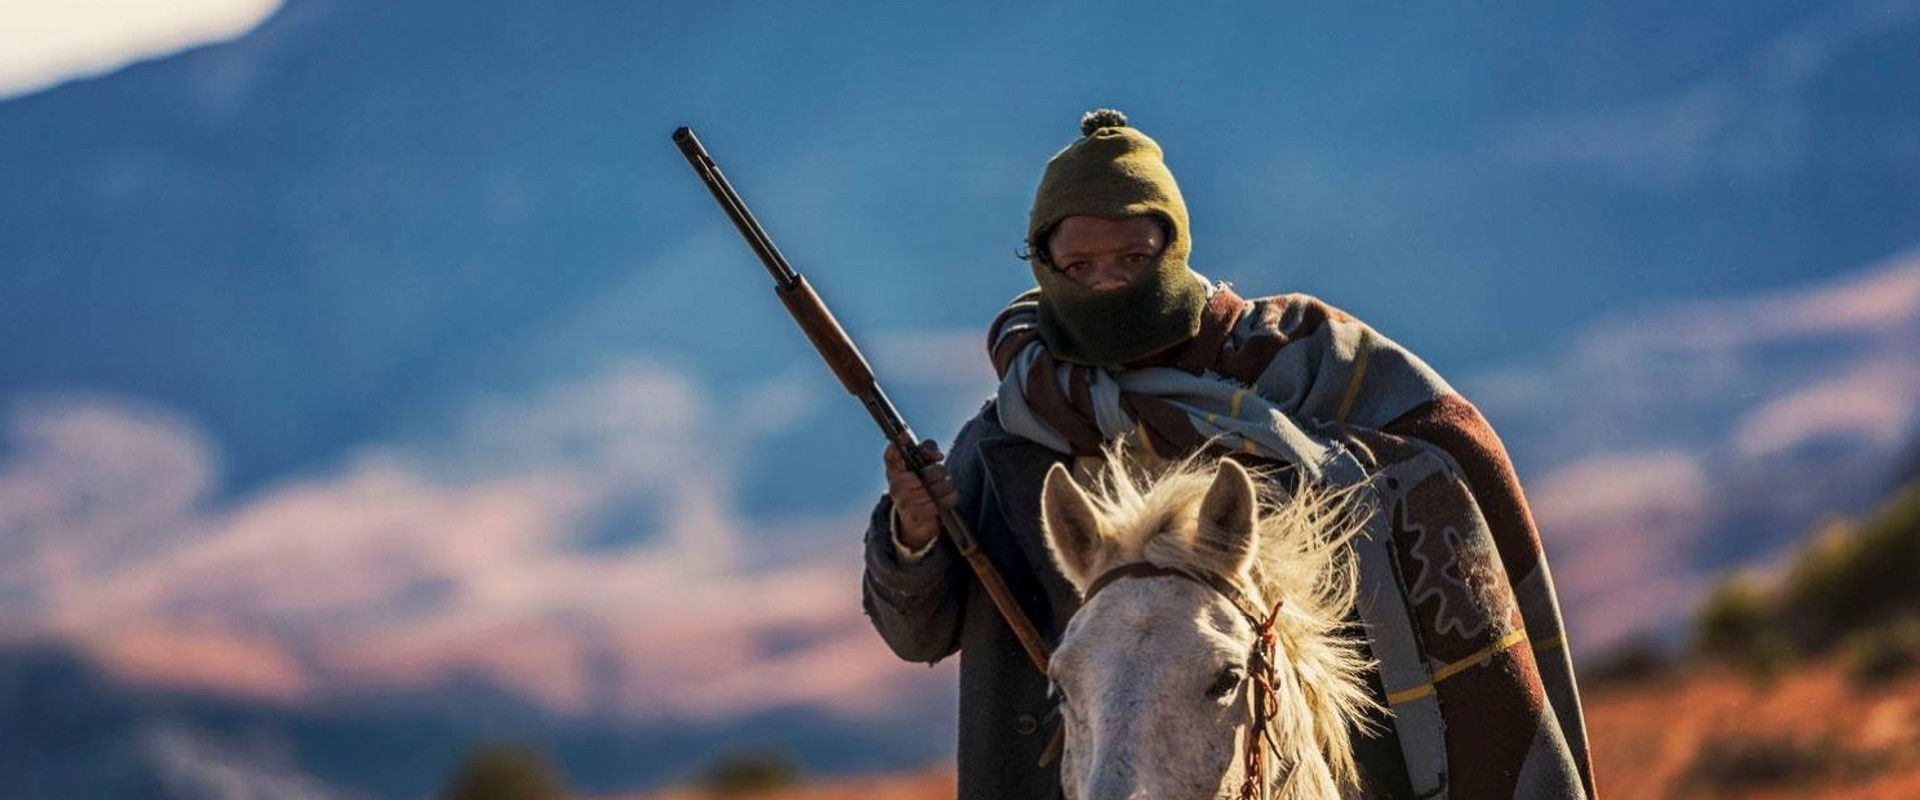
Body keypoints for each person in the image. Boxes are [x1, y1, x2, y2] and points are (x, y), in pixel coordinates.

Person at [860, 109, 1594, 799]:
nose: (1107, 283)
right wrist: (915, 534)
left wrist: (1304, 469)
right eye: (1079, 266)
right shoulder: (1009, 436)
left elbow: (1437, 449)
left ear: (1172, 250)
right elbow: (917, 632)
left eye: (1131, 259)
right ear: (1043, 263)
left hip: (1328, 755)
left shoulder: (1296, 365)